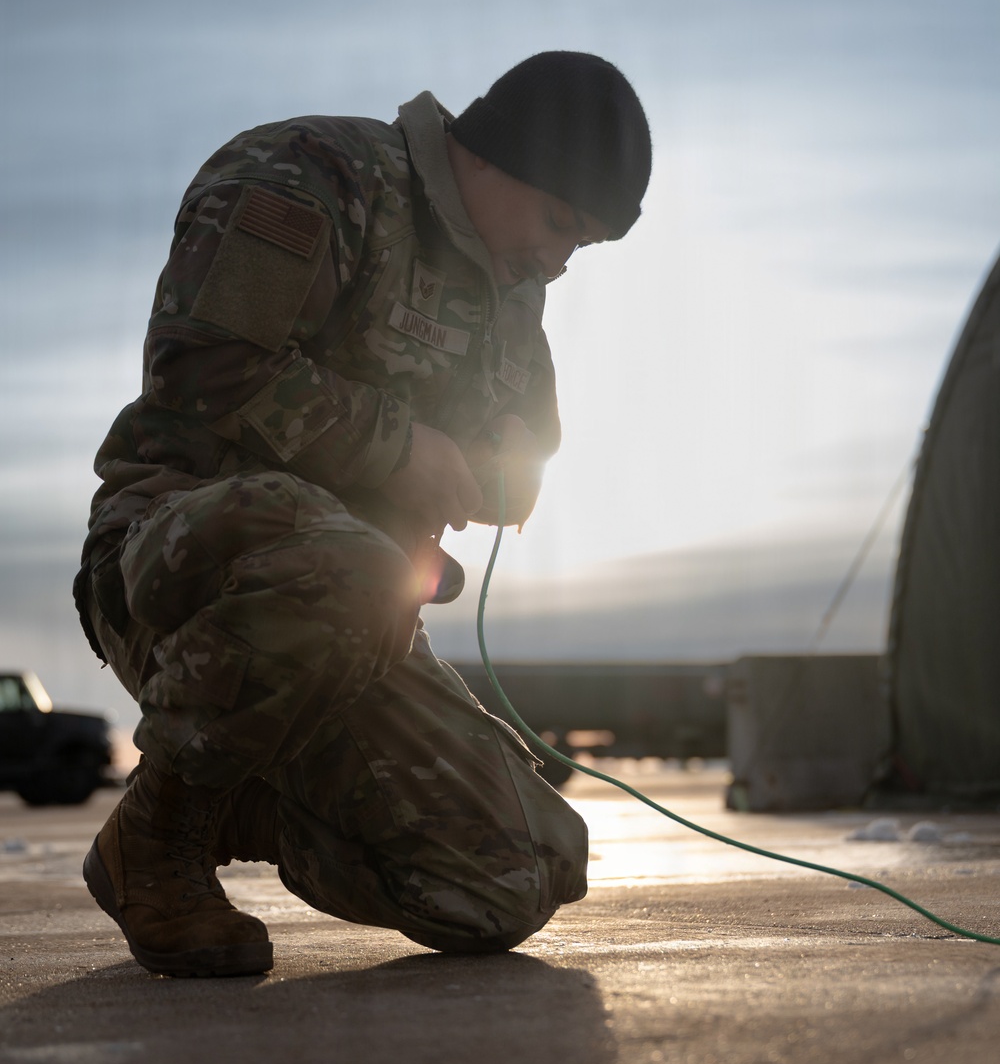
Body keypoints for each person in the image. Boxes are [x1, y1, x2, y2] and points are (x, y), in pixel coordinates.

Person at [74, 50, 652, 977]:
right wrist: (397, 449)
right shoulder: (311, 175)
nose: (555, 260)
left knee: (516, 876)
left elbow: (526, 456)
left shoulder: (513, 293)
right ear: (496, 154)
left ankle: (237, 786)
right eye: (556, 222)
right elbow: (203, 361)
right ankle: (161, 836)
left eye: (578, 244)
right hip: (177, 561)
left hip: (355, 624)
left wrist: (499, 469)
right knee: (353, 569)